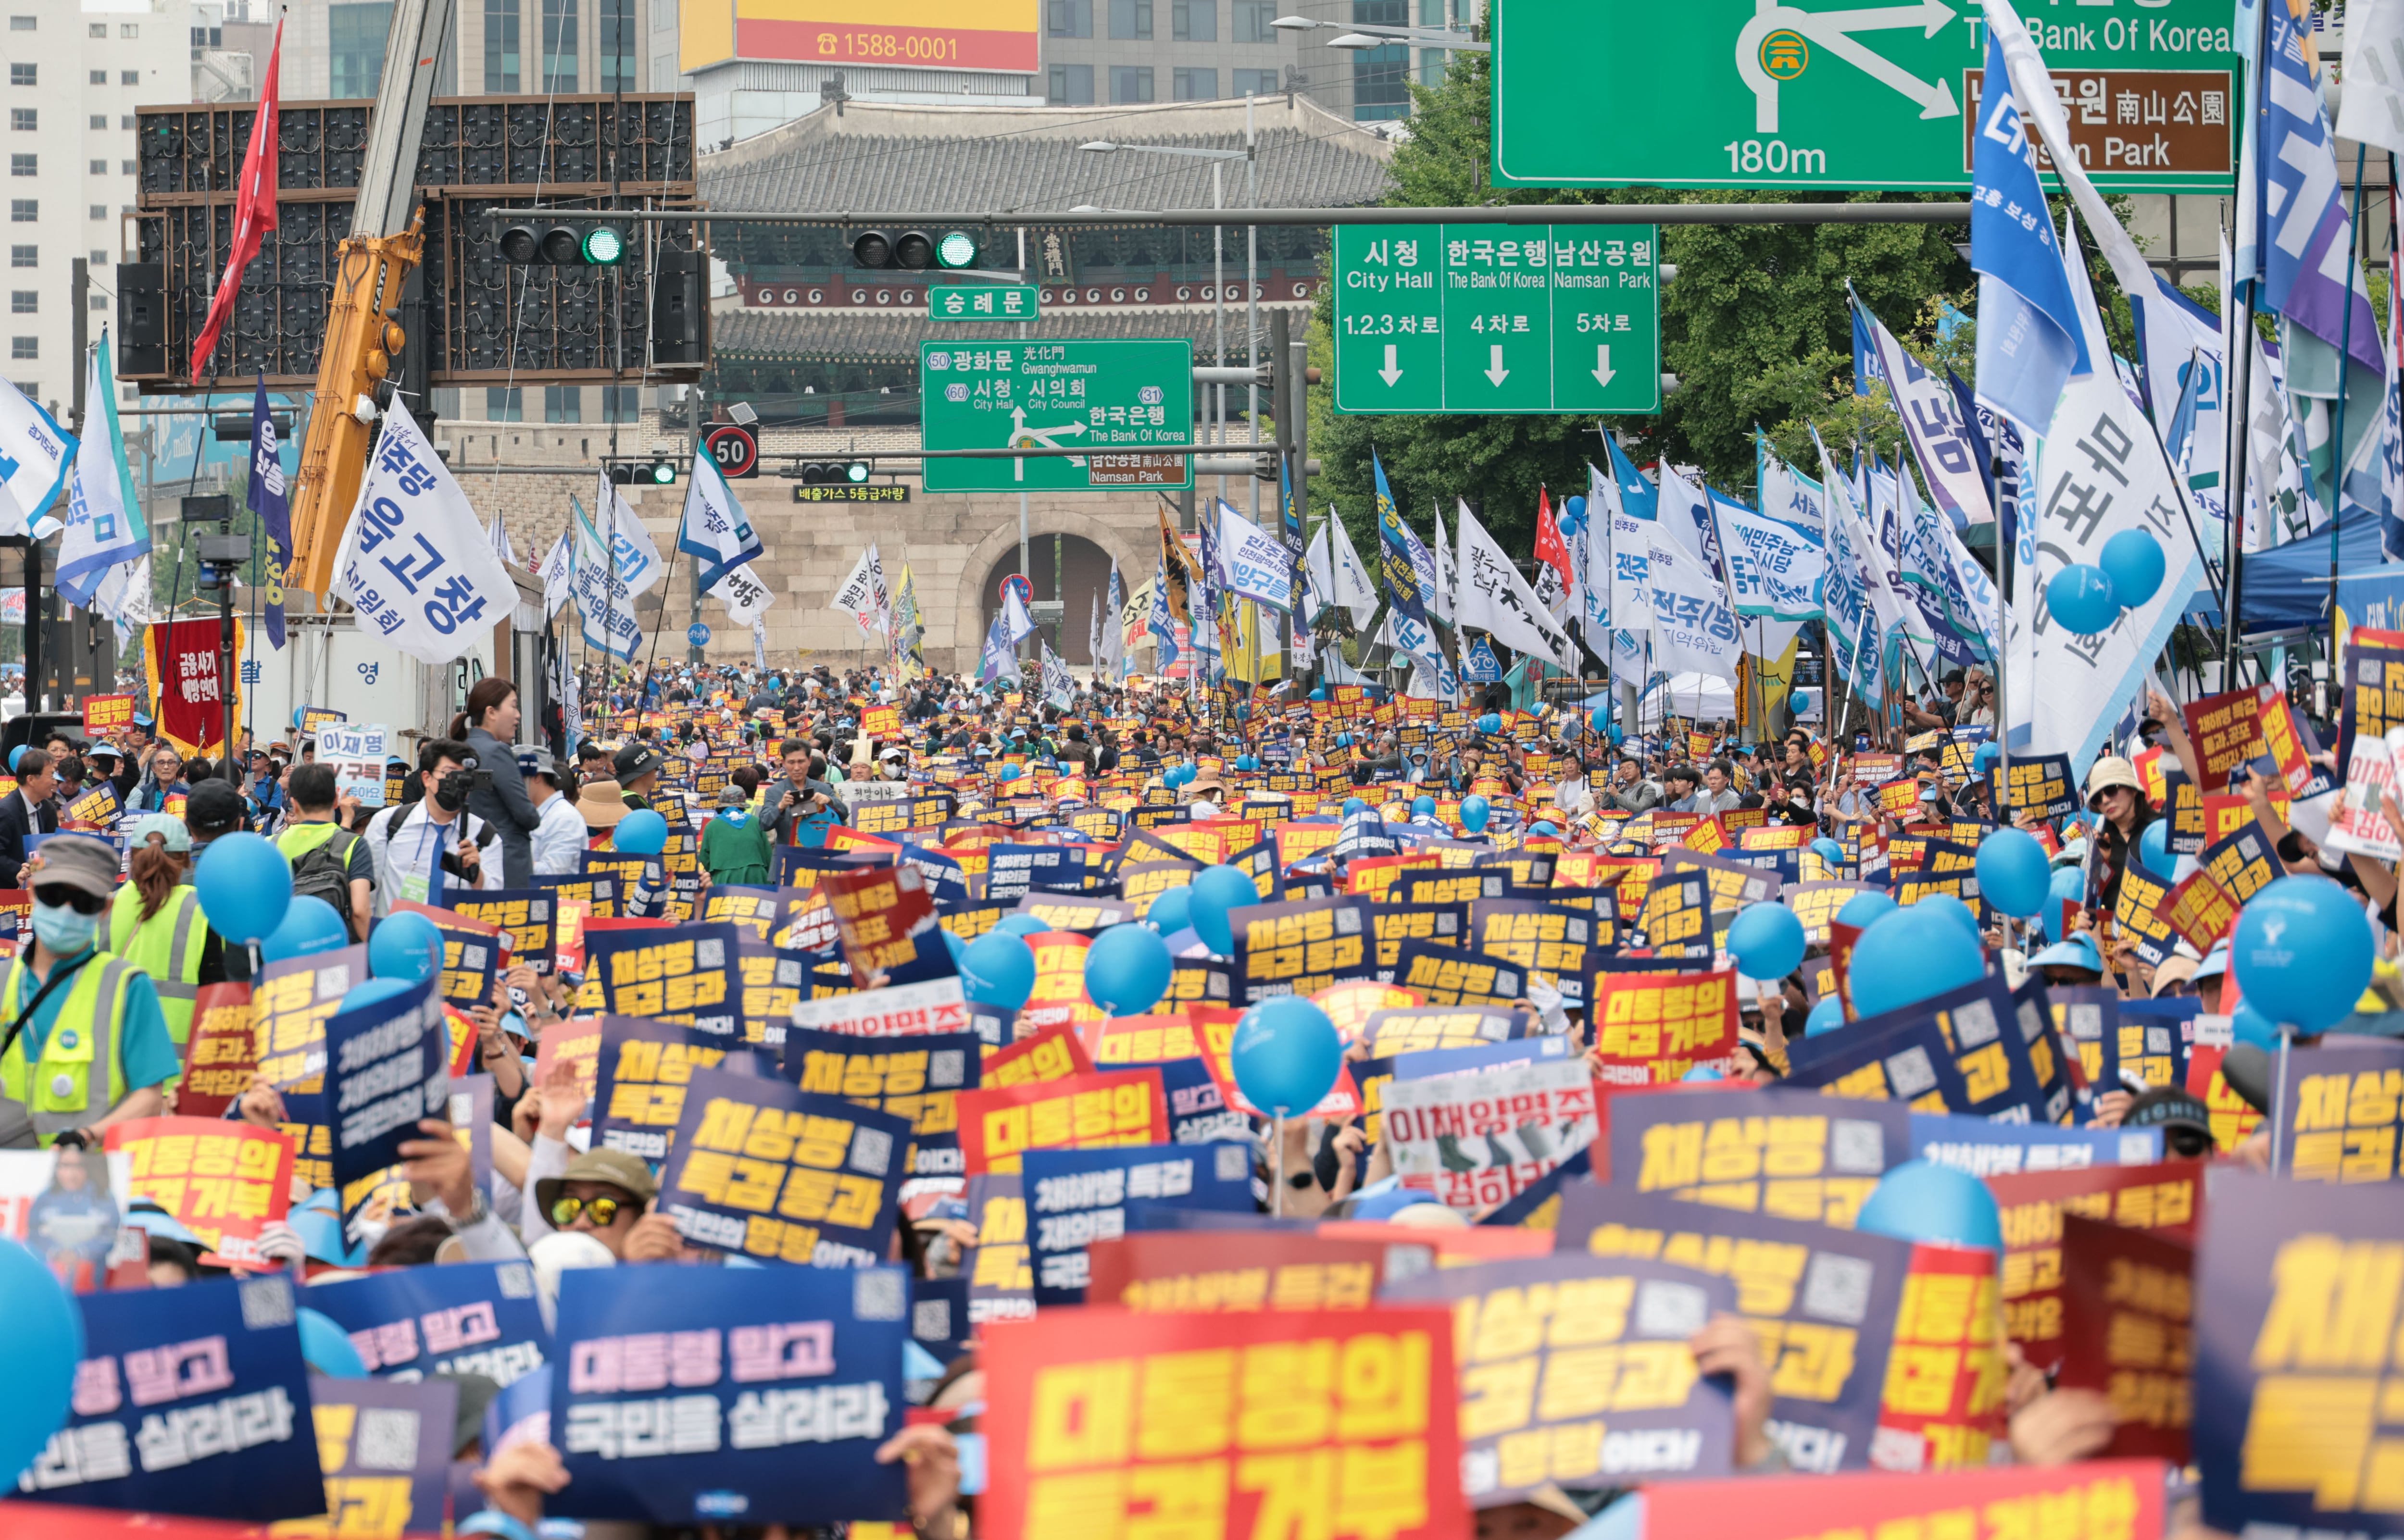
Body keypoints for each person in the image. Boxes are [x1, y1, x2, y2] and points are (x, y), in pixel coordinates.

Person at [0, 834, 180, 1148]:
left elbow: (150, 1097)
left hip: (90, 1181)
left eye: (85, 903)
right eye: (54, 895)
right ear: (32, 893)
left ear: (105, 909)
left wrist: (86, 1137)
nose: (67, 912)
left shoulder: (128, 987)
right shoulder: (3, 979)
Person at [106, 812, 209, 1060]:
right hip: (179, 1066)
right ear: (186, 858)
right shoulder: (204, 910)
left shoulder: (104, 908)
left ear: (131, 855)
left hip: (113, 1059)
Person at [363, 740, 503, 905]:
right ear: (427, 778)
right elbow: (368, 895)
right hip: (399, 929)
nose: (457, 784)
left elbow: (495, 904)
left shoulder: (485, 836)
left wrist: (476, 875)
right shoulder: (388, 824)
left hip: (456, 930)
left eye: (464, 777)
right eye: (449, 774)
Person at [275, 763, 375, 941]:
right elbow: (360, 911)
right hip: (335, 950)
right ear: (336, 801)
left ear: (294, 804)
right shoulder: (354, 845)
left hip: (283, 947)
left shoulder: (272, 844)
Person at [0, 746, 59, 888]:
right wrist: (20, 870)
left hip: (41, 889)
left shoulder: (48, 810)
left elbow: (50, 850)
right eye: (51, 775)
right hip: (12, 894)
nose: (55, 782)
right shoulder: (6, 811)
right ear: (31, 780)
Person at [524, 753, 588, 876]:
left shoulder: (565, 818)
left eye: (517, 778)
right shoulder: (538, 812)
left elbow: (552, 873)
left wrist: (509, 861)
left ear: (536, 777)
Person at [700, 780, 773, 886]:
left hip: (724, 878)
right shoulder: (756, 822)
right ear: (743, 805)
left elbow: (704, 856)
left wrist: (716, 873)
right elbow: (768, 854)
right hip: (756, 877)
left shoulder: (711, 826)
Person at [129, 745, 188, 815]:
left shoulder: (187, 792)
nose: (166, 767)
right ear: (154, 768)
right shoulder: (145, 791)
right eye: (161, 763)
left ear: (177, 767)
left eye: (171, 763)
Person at [612, 741, 664, 811]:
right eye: (655, 767)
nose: (656, 771)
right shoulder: (633, 804)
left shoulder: (624, 799)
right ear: (643, 773)